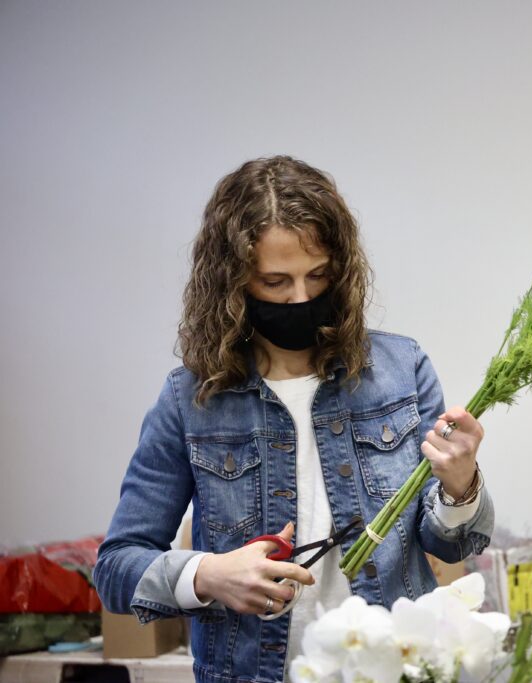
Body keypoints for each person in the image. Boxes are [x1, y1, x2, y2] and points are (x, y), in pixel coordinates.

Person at [93, 155, 495, 683]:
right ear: (232, 282)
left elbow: (454, 545)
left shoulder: (402, 370)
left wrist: (461, 486)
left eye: (318, 275)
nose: (302, 298)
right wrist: (210, 574)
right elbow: (116, 568)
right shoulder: (189, 400)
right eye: (276, 282)